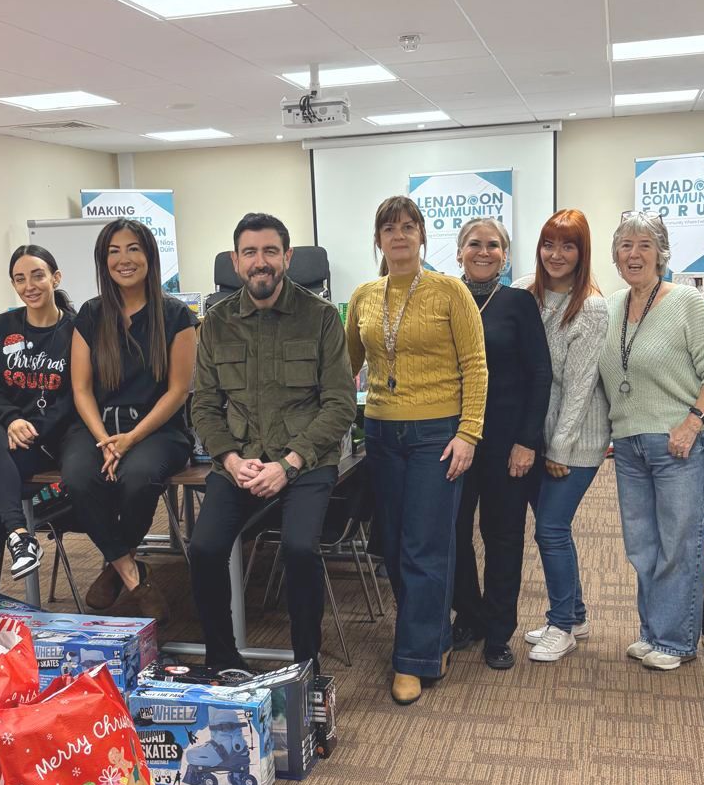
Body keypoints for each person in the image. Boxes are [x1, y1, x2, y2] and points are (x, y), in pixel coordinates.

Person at [189, 213, 356, 672]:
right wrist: (229, 457)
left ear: (287, 257)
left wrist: (290, 462)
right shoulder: (217, 322)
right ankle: (223, 659)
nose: (259, 262)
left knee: (300, 549)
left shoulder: (321, 317)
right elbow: (203, 405)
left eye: (269, 252)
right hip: (238, 461)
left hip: (304, 463)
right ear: (235, 261)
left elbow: (340, 405)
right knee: (203, 549)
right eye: (249, 253)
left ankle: (306, 666)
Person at [346, 196, 488, 705]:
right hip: (382, 434)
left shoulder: (451, 292)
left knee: (425, 546)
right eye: (389, 228)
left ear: (423, 236)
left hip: (436, 435)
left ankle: (414, 659)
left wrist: (468, 432)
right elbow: (347, 365)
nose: (399, 235)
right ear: (379, 239)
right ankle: (434, 637)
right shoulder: (364, 295)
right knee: (390, 545)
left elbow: (475, 365)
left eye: (408, 227)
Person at [600, 211, 704, 670]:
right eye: (625, 245)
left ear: (661, 253)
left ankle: (677, 641)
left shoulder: (685, 303)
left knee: (681, 542)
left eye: (643, 245)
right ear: (615, 255)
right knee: (643, 545)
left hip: (680, 443)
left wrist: (693, 421)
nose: (633, 254)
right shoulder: (614, 304)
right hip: (629, 446)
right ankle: (652, 630)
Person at [63, 217, 197, 624]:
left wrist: (131, 438)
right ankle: (132, 574)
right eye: (113, 251)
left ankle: (112, 564)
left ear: (149, 256)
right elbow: (81, 389)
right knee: (77, 476)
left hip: (158, 429)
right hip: (97, 427)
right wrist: (106, 439)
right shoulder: (90, 314)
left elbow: (178, 391)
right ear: (103, 262)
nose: (124, 259)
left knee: (137, 476)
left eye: (133, 249)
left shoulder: (175, 315)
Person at [0, 245, 76, 618]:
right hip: (10, 437)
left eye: (37, 275)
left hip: (53, 441)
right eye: (19, 279)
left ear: (55, 277)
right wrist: (10, 418)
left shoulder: (76, 331)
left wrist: (35, 426)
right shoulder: (0, 328)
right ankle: (20, 538)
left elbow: (78, 392)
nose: (29, 285)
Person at [450, 217, 552, 670]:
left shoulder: (517, 303)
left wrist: (527, 441)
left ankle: (498, 631)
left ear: (505, 256)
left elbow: (540, 374)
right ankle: (469, 614)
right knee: (452, 534)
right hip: (451, 440)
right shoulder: (443, 298)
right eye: (475, 244)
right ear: (459, 252)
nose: (484, 251)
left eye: (494, 245)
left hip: (506, 441)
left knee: (503, 536)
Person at [519, 211, 610, 663]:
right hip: (537, 436)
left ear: (582, 252)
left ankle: (561, 626)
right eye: (549, 244)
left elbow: (579, 386)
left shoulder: (589, 307)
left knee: (551, 529)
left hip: (577, 440)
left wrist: (560, 447)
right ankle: (575, 613)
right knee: (554, 528)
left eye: (568, 246)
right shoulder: (525, 293)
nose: (556, 255)